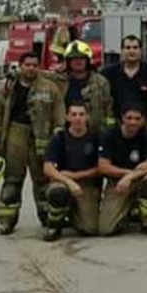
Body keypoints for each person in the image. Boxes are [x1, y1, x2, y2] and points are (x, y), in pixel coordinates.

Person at [0, 52, 64, 234]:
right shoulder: (9, 87)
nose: (31, 68)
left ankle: (47, 217)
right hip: (15, 134)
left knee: (43, 180)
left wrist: (58, 139)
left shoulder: (50, 88)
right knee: (12, 179)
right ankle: (7, 220)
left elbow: (59, 112)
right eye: (27, 64)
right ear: (20, 66)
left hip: (42, 137)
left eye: (35, 65)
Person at [97, 103, 147, 236]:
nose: (133, 122)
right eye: (129, 118)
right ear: (122, 118)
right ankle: (130, 212)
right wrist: (127, 174)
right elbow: (103, 166)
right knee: (105, 229)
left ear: (143, 120)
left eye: (137, 119)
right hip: (118, 182)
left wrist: (130, 177)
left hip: (140, 180)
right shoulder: (109, 135)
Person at [41, 102, 101, 241]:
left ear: (87, 117)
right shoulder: (59, 138)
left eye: (81, 114)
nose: (78, 118)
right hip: (62, 182)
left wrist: (75, 176)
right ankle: (54, 226)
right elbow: (47, 168)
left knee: (89, 229)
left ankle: (73, 212)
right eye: (74, 114)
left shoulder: (96, 137)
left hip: (86, 184)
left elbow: (101, 168)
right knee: (58, 191)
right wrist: (68, 181)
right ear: (67, 117)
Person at [44, 40, 115, 134]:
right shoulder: (58, 80)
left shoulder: (101, 82)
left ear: (88, 60)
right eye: (74, 58)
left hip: (94, 133)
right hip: (66, 133)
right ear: (68, 61)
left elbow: (109, 108)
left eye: (82, 58)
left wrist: (108, 132)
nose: (78, 61)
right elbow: (35, 73)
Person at [101, 35, 147, 122]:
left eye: (135, 48)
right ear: (122, 51)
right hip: (118, 123)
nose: (131, 51)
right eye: (128, 48)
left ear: (141, 51)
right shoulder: (108, 73)